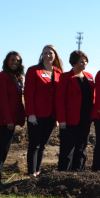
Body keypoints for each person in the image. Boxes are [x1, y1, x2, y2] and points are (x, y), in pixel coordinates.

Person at [24, 45, 63, 177]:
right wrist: (31, 114)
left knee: (43, 145)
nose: (47, 55)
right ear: (41, 55)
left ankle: (37, 171)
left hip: (51, 115)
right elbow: (28, 94)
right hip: (36, 115)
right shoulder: (34, 70)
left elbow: (58, 96)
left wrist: (57, 118)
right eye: (45, 53)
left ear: (55, 55)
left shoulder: (58, 73)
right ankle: (31, 173)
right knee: (34, 144)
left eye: (50, 53)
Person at [0, 51, 25, 184]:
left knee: (4, 150)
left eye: (17, 60)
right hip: (3, 121)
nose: (15, 62)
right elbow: (2, 101)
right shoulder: (2, 76)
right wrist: (8, 120)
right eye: (12, 60)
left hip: (11, 121)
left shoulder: (16, 77)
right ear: (7, 61)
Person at [55, 50, 95, 171]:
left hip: (85, 118)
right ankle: (64, 174)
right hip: (69, 119)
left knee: (82, 147)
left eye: (85, 61)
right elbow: (59, 99)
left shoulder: (89, 77)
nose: (84, 64)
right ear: (74, 62)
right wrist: (61, 119)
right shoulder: (66, 77)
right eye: (81, 62)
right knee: (68, 148)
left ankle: (79, 172)